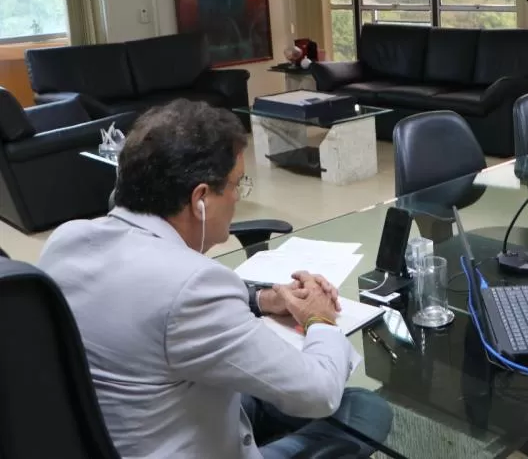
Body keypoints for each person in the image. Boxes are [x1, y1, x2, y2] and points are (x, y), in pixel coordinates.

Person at [38, 100, 392, 459]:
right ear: (201, 200)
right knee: (364, 410)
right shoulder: (191, 285)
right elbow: (320, 393)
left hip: (132, 428)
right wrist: (319, 318)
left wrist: (264, 300)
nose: (238, 197)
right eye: (237, 184)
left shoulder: (66, 241)